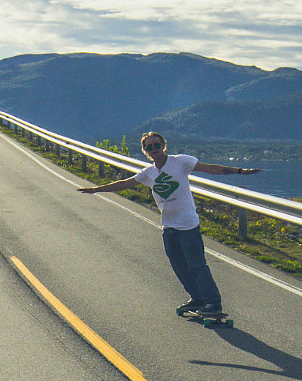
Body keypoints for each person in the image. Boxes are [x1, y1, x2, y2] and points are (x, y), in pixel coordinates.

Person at [79, 131, 261, 319]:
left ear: (163, 145)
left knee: (197, 265)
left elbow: (210, 169)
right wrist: (96, 190)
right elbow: (125, 183)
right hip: (169, 227)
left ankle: (213, 302)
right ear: (145, 151)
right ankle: (197, 298)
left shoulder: (180, 162)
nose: (154, 149)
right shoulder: (149, 173)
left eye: (157, 145)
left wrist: (240, 171)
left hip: (188, 225)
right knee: (179, 265)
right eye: (149, 147)